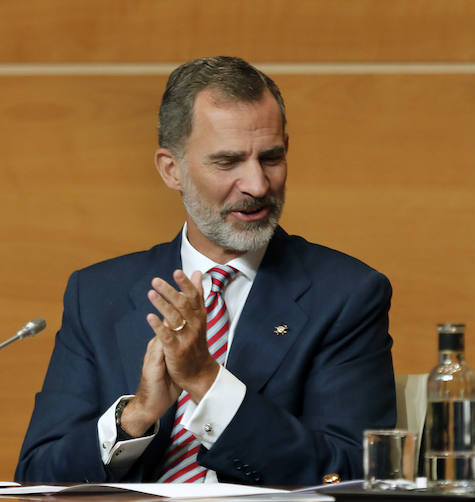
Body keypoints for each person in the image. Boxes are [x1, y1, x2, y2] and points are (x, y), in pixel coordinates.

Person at [16, 56, 396, 485]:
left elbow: (354, 474)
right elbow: (38, 477)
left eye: (271, 158)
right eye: (228, 162)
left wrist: (205, 381)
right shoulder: (96, 294)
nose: (257, 184)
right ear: (171, 169)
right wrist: (138, 414)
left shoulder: (346, 294)